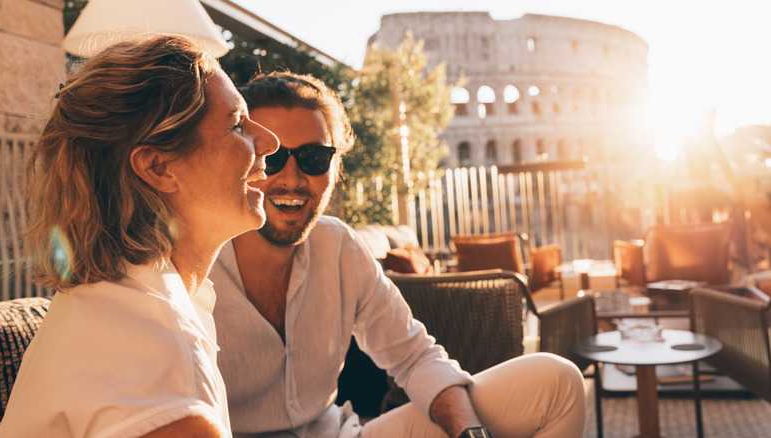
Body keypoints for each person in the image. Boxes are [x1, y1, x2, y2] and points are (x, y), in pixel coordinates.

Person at [210, 71, 585, 438]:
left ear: (335, 166)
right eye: (271, 157)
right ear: (242, 160)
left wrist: (471, 433)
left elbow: (414, 356)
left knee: (557, 382)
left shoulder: (339, 246)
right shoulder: (195, 266)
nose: (292, 178)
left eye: (313, 157)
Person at [0, 34, 278, 437]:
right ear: (158, 167)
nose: (271, 140)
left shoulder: (113, 299)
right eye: (237, 124)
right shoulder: (164, 368)